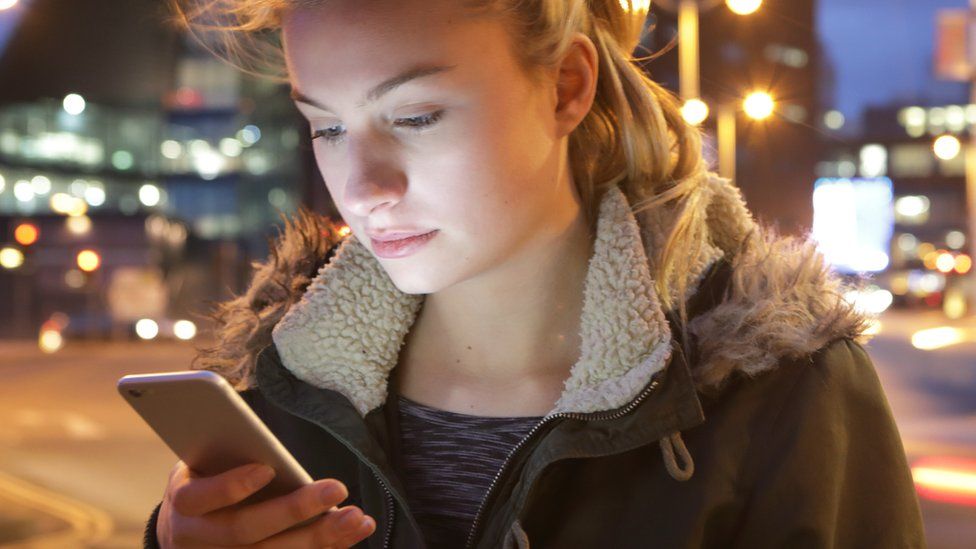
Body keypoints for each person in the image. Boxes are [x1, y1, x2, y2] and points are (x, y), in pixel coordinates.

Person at [147, 0, 926, 547]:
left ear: (565, 86)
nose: (363, 186)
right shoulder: (284, 389)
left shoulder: (783, 391)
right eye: (327, 126)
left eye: (416, 116)